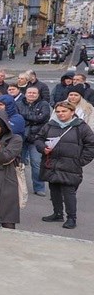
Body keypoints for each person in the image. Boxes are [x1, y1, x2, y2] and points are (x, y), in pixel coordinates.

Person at [37, 99, 94, 230]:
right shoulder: (50, 125)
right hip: (52, 163)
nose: (61, 114)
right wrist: (43, 148)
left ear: (72, 112)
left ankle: (71, 218)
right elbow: (39, 139)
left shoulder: (81, 126)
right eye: (58, 111)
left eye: (64, 111)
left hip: (70, 165)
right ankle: (57, 213)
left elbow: (91, 145)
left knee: (69, 193)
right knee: (54, 190)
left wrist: (81, 161)